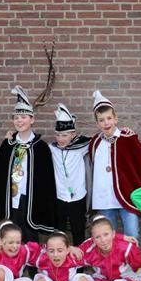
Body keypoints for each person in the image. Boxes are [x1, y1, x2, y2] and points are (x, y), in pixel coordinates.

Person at [0, 86, 56, 242]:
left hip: (30, 198)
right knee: (11, 234)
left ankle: (32, 258)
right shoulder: (8, 144)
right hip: (10, 197)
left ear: (32, 119)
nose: (19, 121)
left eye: (24, 117)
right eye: (16, 118)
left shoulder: (40, 147)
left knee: (30, 236)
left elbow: (46, 180)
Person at [88, 90, 141, 240]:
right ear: (97, 123)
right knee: (108, 237)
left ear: (116, 119)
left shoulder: (127, 138)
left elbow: (139, 162)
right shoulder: (95, 143)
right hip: (104, 198)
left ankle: (133, 257)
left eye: (109, 118)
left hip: (126, 196)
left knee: (133, 234)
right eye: (101, 120)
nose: (106, 123)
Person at [48, 103, 92, 244]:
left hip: (78, 196)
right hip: (60, 196)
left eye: (65, 135)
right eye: (58, 135)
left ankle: (79, 257)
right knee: (59, 231)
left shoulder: (82, 147)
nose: (60, 139)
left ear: (73, 134)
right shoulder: (52, 148)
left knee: (78, 230)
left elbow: (100, 139)